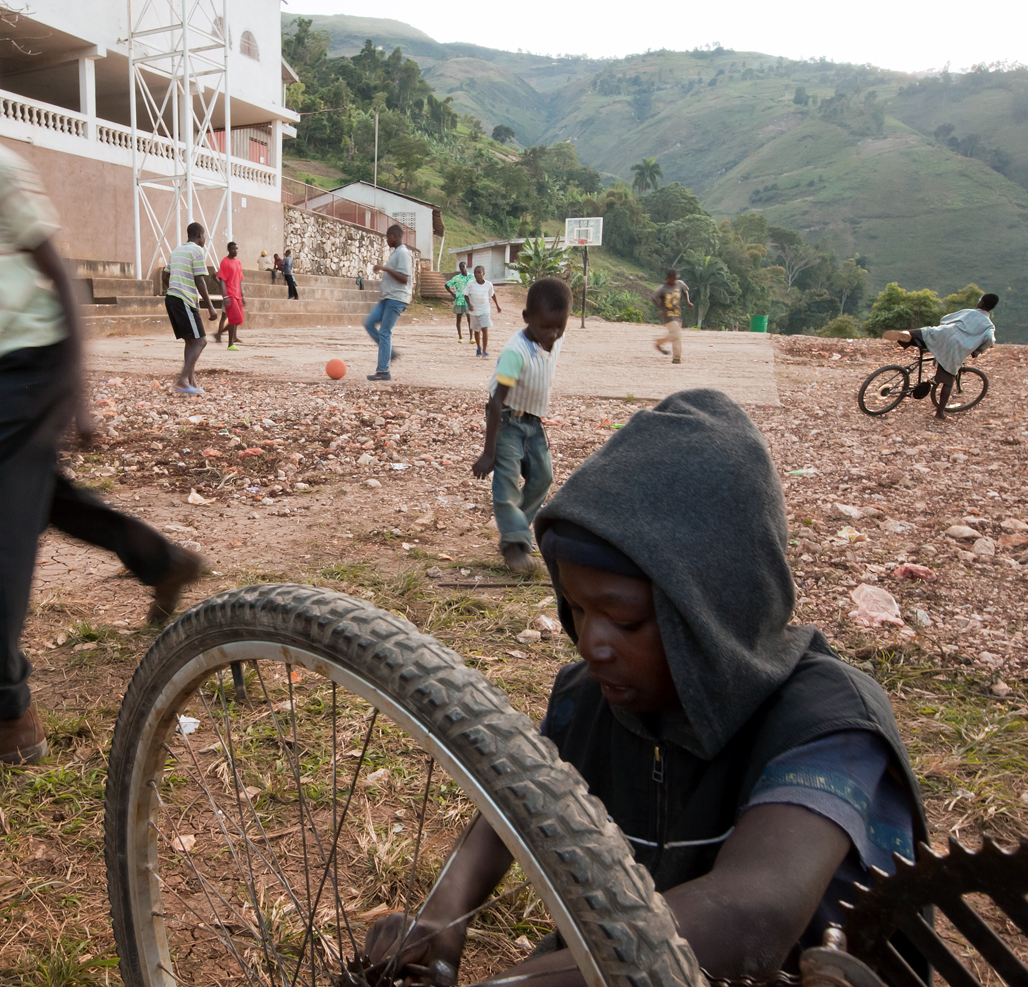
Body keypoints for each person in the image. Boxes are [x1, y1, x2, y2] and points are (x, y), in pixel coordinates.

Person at [372, 387, 929, 984]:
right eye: (577, 610)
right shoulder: (589, 701)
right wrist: (444, 912)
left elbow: (752, 915)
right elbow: (512, 805)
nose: (591, 644)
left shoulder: (828, 724)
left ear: (713, 611)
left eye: (627, 620)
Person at [0, 26, 203, 781]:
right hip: (3, 374)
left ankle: (3, 713)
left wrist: (77, 390)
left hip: (38, 363)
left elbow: (59, 275)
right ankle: (163, 560)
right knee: (38, 499)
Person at [471, 277, 568, 574]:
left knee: (542, 479)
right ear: (527, 318)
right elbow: (496, 402)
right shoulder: (516, 351)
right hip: (506, 421)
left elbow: (553, 334)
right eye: (544, 327)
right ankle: (514, 546)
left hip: (533, 421)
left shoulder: (554, 335)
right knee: (507, 482)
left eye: (559, 327)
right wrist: (488, 453)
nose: (551, 334)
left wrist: (554, 331)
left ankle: (516, 532)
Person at [881, 293, 997, 419]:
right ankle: (939, 413)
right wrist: (977, 352)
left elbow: (945, 319)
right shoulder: (989, 325)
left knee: (926, 333)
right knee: (948, 381)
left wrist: (945, 328)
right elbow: (990, 339)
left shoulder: (968, 312)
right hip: (955, 348)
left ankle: (907, 335)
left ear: (981, 303)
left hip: (944, 334)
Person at [165, 222, 219, 393]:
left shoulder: (176, 251)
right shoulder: (197, 250)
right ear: (198, 235)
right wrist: (210, 306)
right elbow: (200, 280)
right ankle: (182, 380)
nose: (205, 240)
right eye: (204, 236)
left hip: (172, 298)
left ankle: (192, 382)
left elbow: (164, 275)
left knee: (190, 341)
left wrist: (174, 287)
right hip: (184, 300)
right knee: (201, 341)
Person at [363, 225, 414, 381]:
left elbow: (404, 278)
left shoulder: (403, 254)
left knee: (385, 332)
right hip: (387, 298)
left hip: (397, 298)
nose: (386, 240)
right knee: (369, 323)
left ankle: (383, 371)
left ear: (394, 235)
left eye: (387, 237)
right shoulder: (396, 253)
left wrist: (385, 269)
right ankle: (390, 353)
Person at [650, 269, 693, 364]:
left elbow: (685, 291)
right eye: (672, 279)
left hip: (677, 313)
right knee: (677, 335)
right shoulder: (662, 289)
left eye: (675, 279)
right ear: (667, 278)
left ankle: (659, 343)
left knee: (676, 335)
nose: (674, 281)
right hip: (667, 315)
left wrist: (688, 302)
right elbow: (653, 298)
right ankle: (677, 357)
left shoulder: (680, 284)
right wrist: (661, 308)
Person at [215, 241, 247, 350]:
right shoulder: (225, 262)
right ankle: (230, 343)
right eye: (233, 249)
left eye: (237, 249)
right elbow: (222, 280)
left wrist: (243, 295)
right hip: (230, 293)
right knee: (234, 318)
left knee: (238, 319)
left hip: (238, 294)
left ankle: (219, 333)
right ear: (229, 249)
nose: (235, 251)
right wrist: (225, 296)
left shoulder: (238, 262)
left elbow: (240, 279)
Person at [466, 265, 500, 358]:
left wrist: (497, 306)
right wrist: (469, 305)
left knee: (485, 329)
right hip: (474, 310)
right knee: (476, 331)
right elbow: (466, 295)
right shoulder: (470, 284)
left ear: (483, 274)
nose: (477, 274)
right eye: (475, 272)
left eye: (479, 272)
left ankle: (485, 350)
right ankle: (478, 348)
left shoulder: (488, 284)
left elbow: (492, 295)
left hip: (485, 309)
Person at [445, 261, 473, 344]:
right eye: (460, 267)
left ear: (466, 266)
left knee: (470, 319)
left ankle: (471, 337)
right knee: (458, 319)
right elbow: (447, 285)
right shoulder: (457, 278)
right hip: (459, 301)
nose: (462, 268)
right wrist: (452, 294)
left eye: (463, 266)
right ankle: (460, 337)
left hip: (469, 301)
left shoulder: (472, 277)